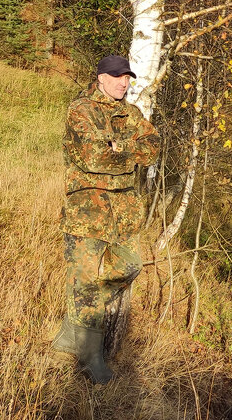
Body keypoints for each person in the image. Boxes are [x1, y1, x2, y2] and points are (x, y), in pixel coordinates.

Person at [51, 54, 161, 384]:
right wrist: (128, 153)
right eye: (116, 77)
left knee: (129, 266)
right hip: (87, 209)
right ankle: (89, 355)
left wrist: (119, 146)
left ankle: (72, 333)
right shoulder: (81, 109)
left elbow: (153, 147)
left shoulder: (131, 112)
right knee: (84, 280)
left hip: (124, 211)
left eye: (127, 77)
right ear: (101, 78)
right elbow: (93, 158)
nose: (123, 82)